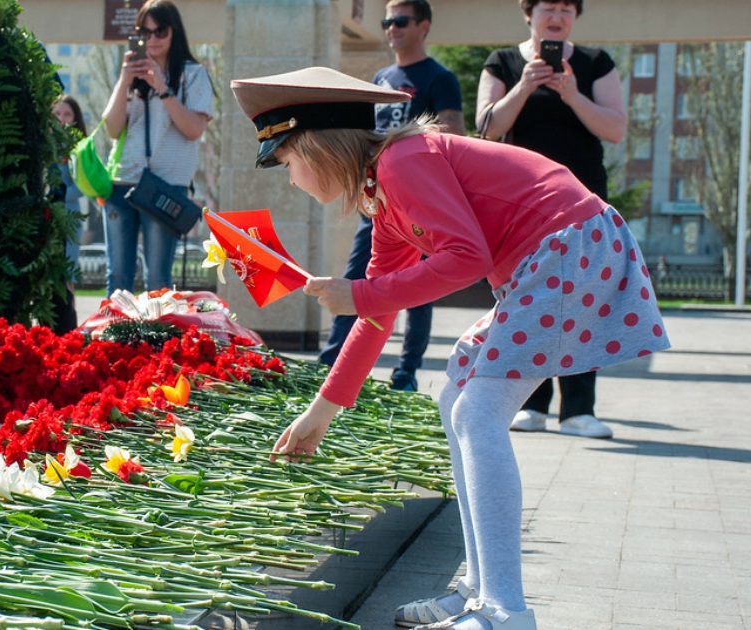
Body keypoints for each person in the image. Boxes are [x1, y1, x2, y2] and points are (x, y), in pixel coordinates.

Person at [230, 66, 669, 629]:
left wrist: (360, 292)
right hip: (554, 255)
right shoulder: (384, 194)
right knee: (457, 395)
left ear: (318, 146)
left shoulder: (401, 162)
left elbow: (466, 259)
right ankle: (477, 591)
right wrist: (322, 413)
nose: (290, 180)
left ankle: (505, 611)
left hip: (567, 247)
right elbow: (379, 313)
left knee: (477, 412)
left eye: (287, 162)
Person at [476, 0, 626, 440]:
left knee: (585, 299)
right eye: (548, 7)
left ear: (575, 15)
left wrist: (572, 93)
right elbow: (486, 128)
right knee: (525, 298)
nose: (556, 17)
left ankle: (578, 410)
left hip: (584, 202)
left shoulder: (595, 63)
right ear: (529, 13)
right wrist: (523, 86)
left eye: (566, 8)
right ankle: (530, 405)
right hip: (521, 203)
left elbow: (615, 129)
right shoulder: (502, 62)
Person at [317, 0, 465, 394]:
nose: (391, 29)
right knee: (358, 277)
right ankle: (331, 362)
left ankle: (406, 371)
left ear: (424, 26)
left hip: (423, 202)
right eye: (387, 22)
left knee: (418, 286)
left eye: (400, 21)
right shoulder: (382, 76)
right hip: (379, 200)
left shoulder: (440, 78)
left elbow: (452, 134)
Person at [100, 0, 212, 297]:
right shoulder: (130, 75)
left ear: (174, 31)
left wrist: (162, 87)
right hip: (121, 181)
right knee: (118, 276)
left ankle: (156, 344)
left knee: (158, 281)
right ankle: (113, 342)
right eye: (144, 32)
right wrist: (125, 79)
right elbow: (111, 128)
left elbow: (193, 130)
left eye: (159, 31)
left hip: (165, 187)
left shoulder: (193, 74)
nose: (151, 39)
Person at [49, 94, 89, 334]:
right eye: (57, 114)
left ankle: (67, 330)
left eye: (67, 115)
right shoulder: (44, 145)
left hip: (70, 217)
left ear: (75, 119)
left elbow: (83, 186)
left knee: (66, 273)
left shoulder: (79, 148)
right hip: (46, 216)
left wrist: (60, 195)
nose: (62, 119)